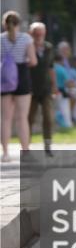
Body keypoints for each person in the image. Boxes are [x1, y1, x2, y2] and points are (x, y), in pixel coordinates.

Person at [1, 11, 37, 162]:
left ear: (4, 24)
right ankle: (26, 152)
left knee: (5, 118)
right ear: (19, 24)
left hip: (4, 80)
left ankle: (6, 153)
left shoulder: (0, 39)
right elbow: (33, 61)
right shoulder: (26, 38)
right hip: (22, 77)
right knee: (22, 118)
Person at [27, 22, 57, 157]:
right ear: (31, 34)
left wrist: (55, 86)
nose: (38, 36)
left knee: (48, 117)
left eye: (40, 33)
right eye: (36, 33)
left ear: (44, 34)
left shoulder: (49, 48)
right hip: (30, 88)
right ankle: (26, 146)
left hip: (46, 88)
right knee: (29, 118)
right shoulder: (27, 47)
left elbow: (51, 68)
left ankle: (47, 144)